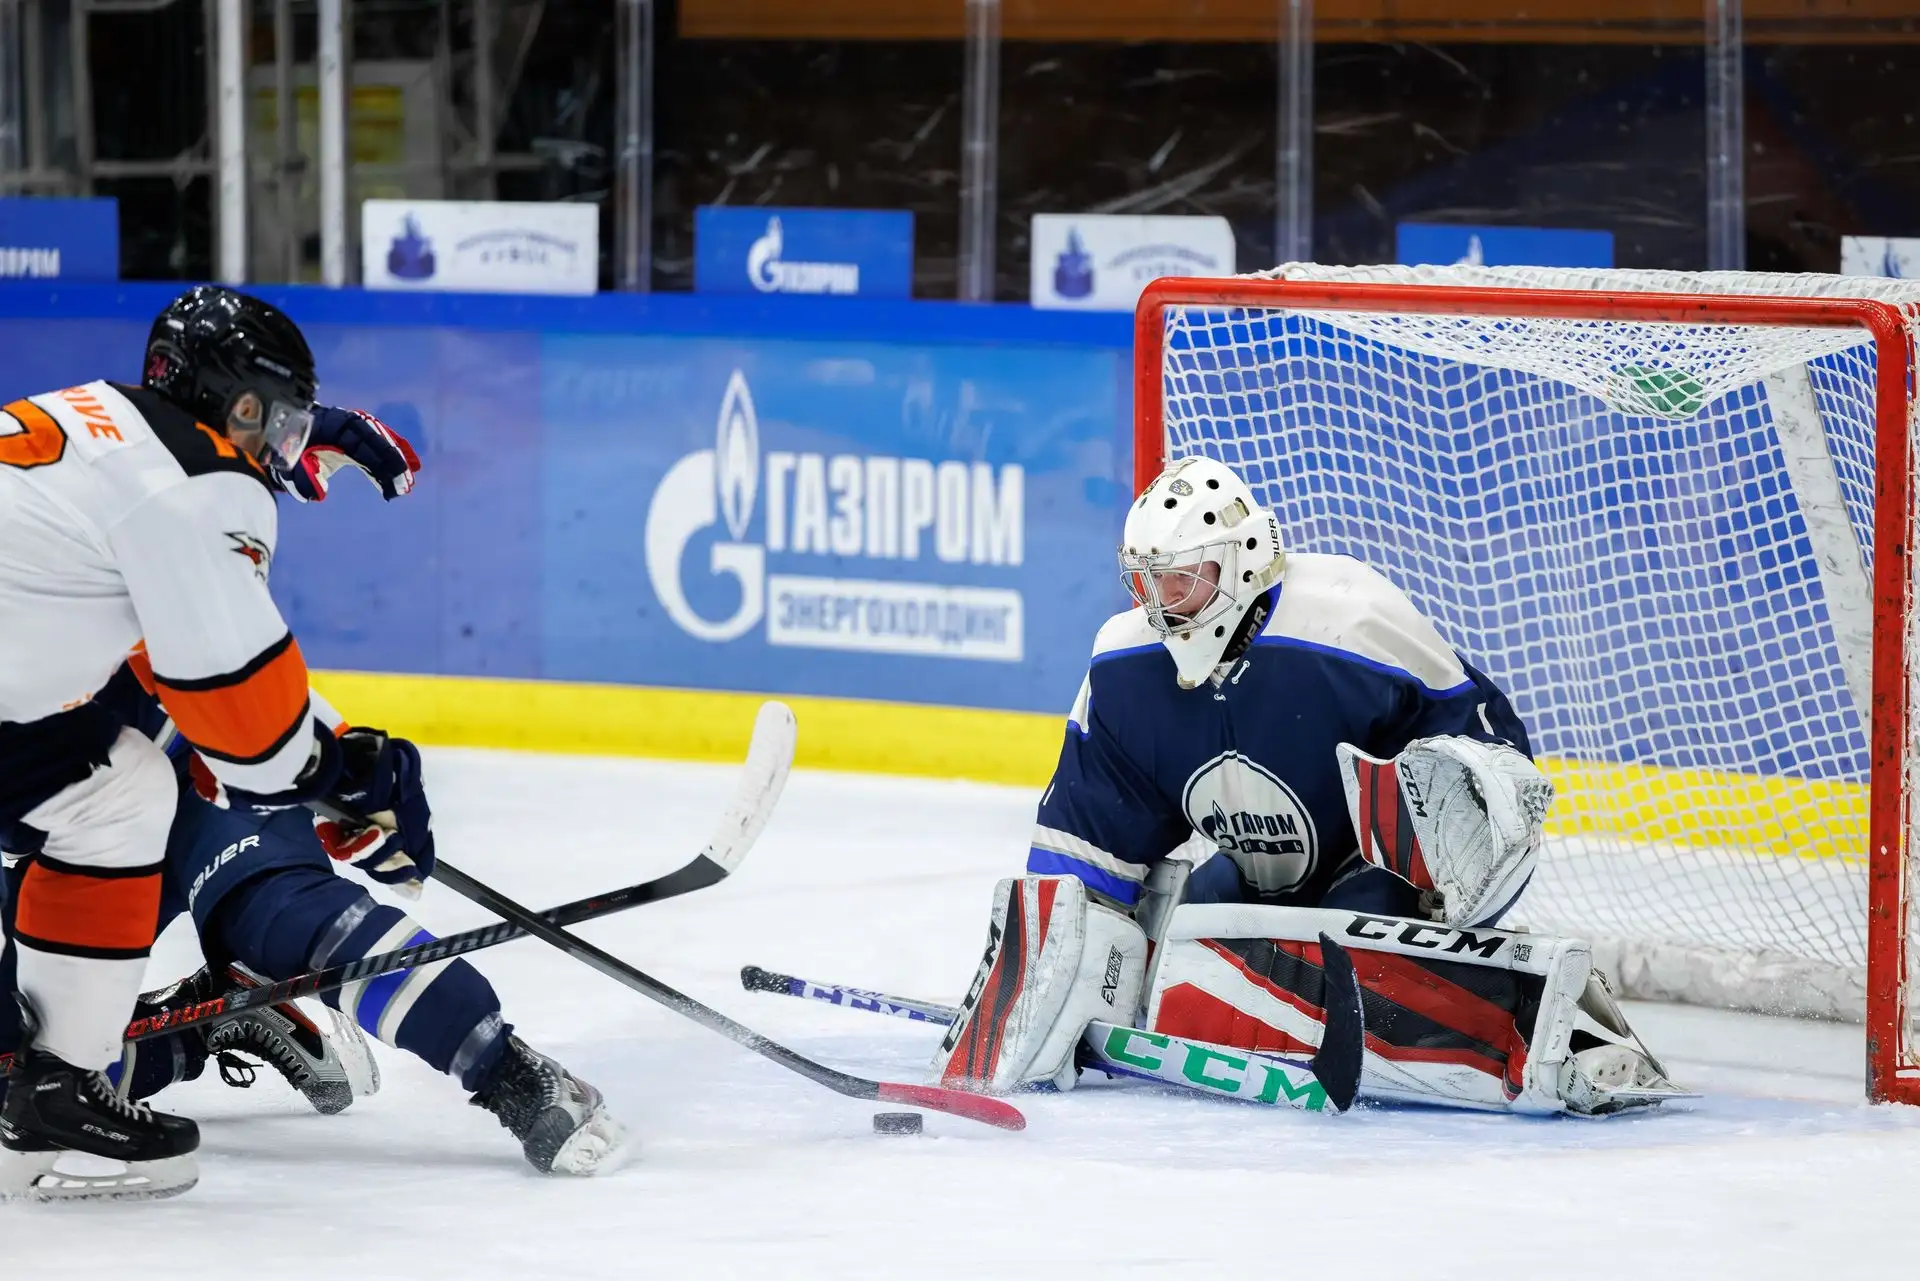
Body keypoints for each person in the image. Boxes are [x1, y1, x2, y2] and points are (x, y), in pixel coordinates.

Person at [929, 456, 1683, 1116]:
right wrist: (1044, 971)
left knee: (1333, 947)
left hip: (1375, 879)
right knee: (1184, 940)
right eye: (1148, 580)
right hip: (1254, 877)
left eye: (1182, 576)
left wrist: (1463, 852)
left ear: (1242, 559)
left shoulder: (1349, 620)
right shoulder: (1125, 667)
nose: (1162, 601)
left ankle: (1549, 1028)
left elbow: (1484, 754)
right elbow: (1084, 845)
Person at [0, 396, 627, 1185]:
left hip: (171, 764)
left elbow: (207, 666)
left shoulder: (111, 516)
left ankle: (510, 1071)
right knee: (28, 1079)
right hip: (80, 802)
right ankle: (213, 1020)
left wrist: (335, 776)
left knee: (280, 913)